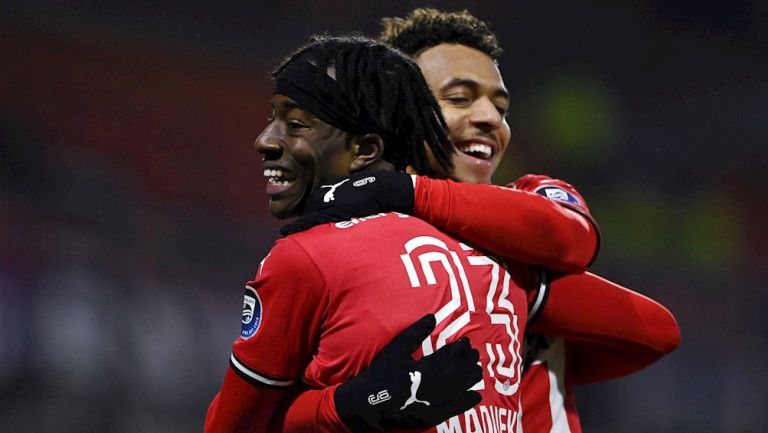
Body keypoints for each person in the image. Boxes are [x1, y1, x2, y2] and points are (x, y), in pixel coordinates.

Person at [277, 8, 680, 433]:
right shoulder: (349, 244)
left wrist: (413, 196)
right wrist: (355, 401)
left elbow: (579, 247)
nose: (491, 119)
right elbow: (271, 413)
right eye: (460, 98)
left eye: (500, 106)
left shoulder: (530, 200)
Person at [205, 34, 551, 433]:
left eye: (295, 124)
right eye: (274, 119)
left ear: (365, 150)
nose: (264, 140)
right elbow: (640, 325)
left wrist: (350, 403)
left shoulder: (307, 258)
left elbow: (232, 428)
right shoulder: (501, 258)